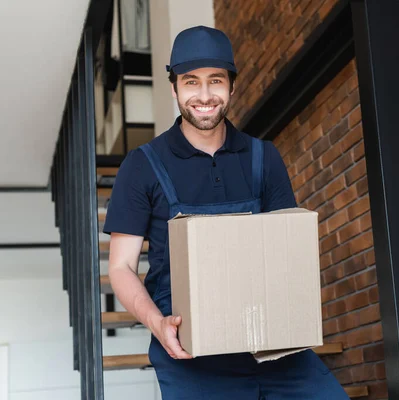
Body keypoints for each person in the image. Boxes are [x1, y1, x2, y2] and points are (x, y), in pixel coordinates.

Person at [103, 25, 350, 400]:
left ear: (232, 86)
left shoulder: (262, 156)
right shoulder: (142, 166)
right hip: (191, 352)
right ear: (174, 88)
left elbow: (284, 248)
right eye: (191, 82)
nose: (204, 95)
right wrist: (157, 324)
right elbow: (121, 267)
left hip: (268, 344)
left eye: (215, 81)